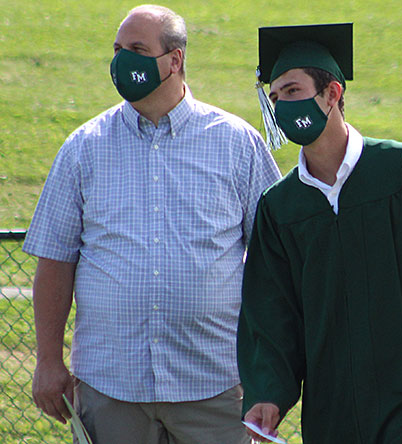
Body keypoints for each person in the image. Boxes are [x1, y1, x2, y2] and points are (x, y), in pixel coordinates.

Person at [22, 5, 281, 444]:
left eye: (138, 50)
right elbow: (55, 260)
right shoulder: (84, 147)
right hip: (111, 387)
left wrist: (271, 371)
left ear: (174, 60)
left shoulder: (237, 143)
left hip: (213, 386)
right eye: (118, 50)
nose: (123, 61)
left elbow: (276, 261)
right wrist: (48, 359)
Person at [237, 23, 402, 444]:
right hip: (333, 410)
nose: (281, 106)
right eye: (275, 97)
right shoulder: (280, 207)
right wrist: (268, 394)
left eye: (293, 91)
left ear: (332, 94)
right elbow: (272, 312)